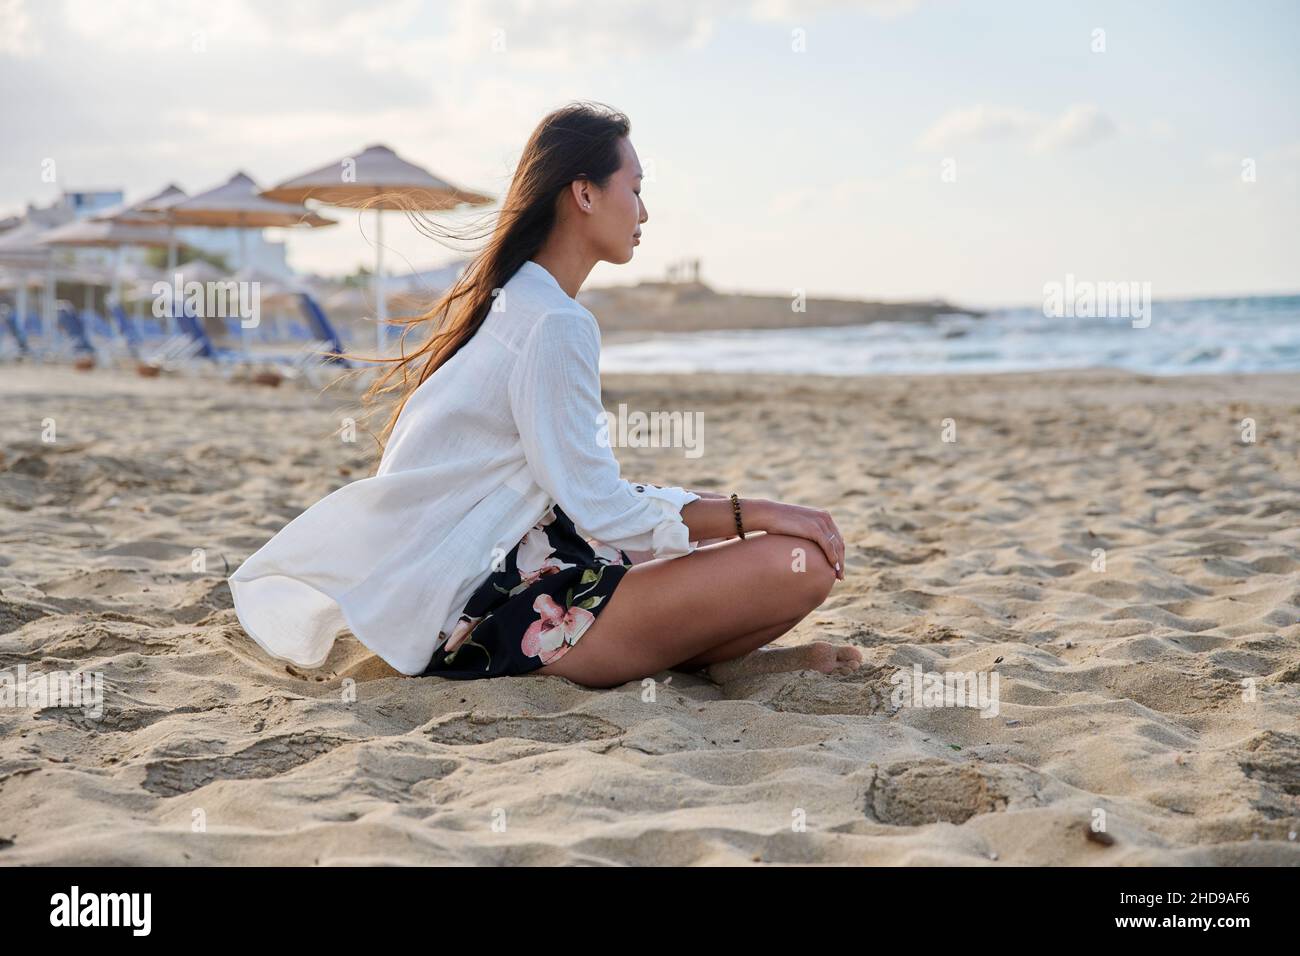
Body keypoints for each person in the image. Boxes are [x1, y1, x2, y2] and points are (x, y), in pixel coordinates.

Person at [228, 101, 861, 689]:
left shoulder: (518, 300)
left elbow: (581, 496)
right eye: (635, 190)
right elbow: (601, 506)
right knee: (796, 562)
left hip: (493, 572)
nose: (645, 213)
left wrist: (722, 523)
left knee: (730, 548)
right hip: (485, 611)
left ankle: (723, 667)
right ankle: (696, 664)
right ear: (584, 193)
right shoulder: (552, 321)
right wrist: (758, 512)